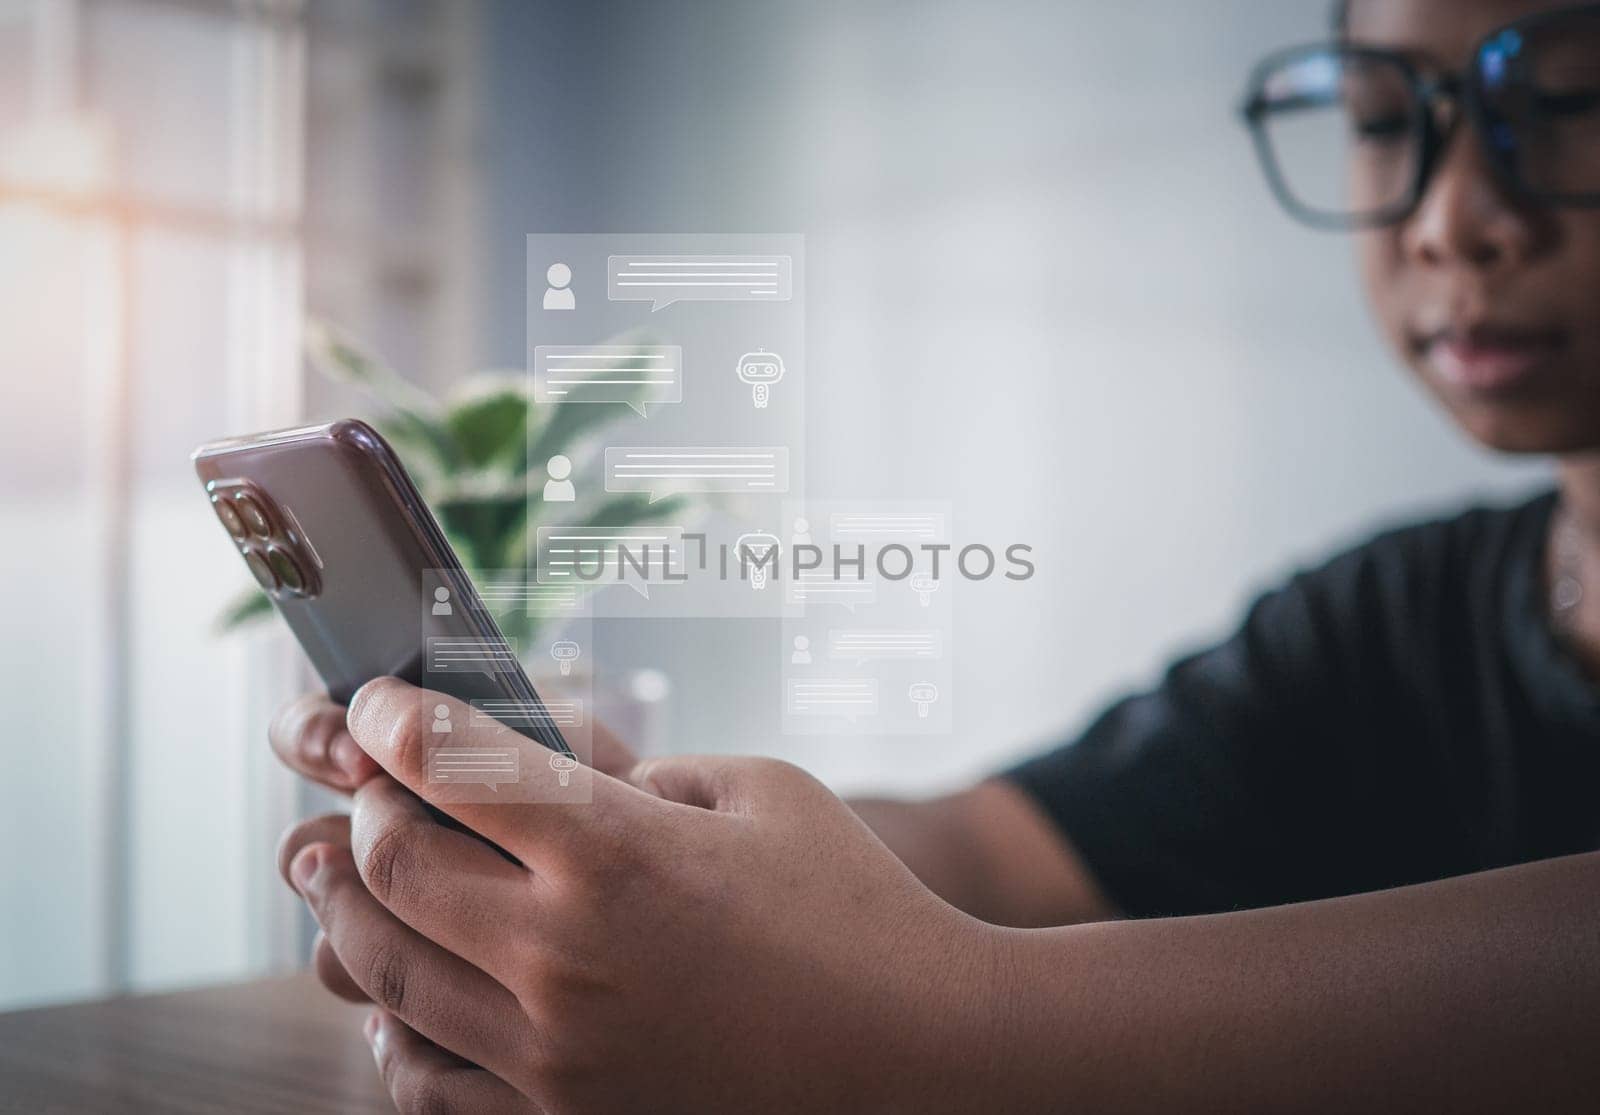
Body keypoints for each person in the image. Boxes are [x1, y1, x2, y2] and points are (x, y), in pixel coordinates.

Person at [267, 1, 1600, 1110]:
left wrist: (925, 1031)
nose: (1453, 216)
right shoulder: (1385, 622)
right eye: (1381, 121)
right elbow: (999, 849)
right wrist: (645, 844)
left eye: (1561, 99)